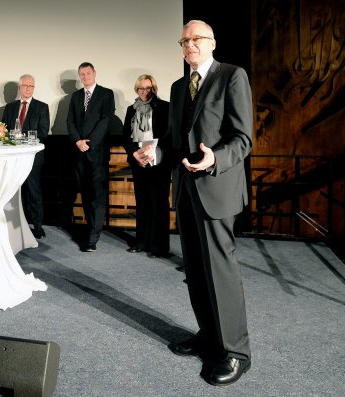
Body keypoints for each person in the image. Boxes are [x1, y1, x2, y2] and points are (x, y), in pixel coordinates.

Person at [154, 20, 253, 386]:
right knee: (194, 269)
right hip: (186, 189)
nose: (189, 44)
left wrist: (215, 159)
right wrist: (157, 150)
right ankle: (209, 335)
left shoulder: (232, 76)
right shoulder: (180, 86)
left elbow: (243, 138)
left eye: (196, 38)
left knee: (220, 271)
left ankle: (236, 352)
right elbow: (173, 138)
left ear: (211, 42)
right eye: (184, 40)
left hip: (217, 187)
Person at [66, 62, 115, 252]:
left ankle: (93, 237)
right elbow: (70, 121)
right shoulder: (76, 96)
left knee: (97, 195)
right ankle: (89, 231)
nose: (85, 77)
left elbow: (105, 120)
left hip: (97, 152)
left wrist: (90, 143)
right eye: (82, 74)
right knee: (86, 194)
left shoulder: (106, 93)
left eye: (88, 73)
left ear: (94, 73)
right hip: (79, 152)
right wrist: (78, 141)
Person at [121, 75, 171, 258]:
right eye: (141, 88)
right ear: (136, 89)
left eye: (148, 88)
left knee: (159, 203)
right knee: (142, 203)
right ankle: (141, 242)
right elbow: (126, 136)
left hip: (158, 161)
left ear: (154, 89)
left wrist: (154, 150)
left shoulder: (164, 107)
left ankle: (159, 246)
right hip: (138, 161)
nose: (144, 91)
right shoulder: (131, 109)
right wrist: (134, 153)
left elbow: (168, 133)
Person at [1, 74, 50, 239]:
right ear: (19, 88)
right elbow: (2, 131)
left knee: (34, 193)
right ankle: (13, 226)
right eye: (25, 86)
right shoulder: (10, 107)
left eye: (31, 86)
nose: (28, 89)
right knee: (12, 193)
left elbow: (43, 133)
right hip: (12, 158)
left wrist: (21, 137)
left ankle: (37, 226)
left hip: (33, 158)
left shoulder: (42, 107)